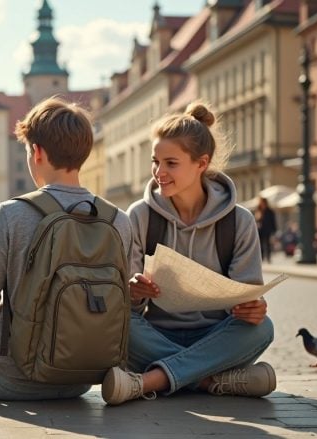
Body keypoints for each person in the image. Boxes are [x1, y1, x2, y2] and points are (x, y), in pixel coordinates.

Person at [0, 97, 133, 400]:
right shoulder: (118, 221)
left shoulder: (13, 213)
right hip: (82, 380)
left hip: (7, 379)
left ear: (37, 152)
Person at [106, 102, 275, 405]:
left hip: (216, 335)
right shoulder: (140, 215)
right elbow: (125, 305)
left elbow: (247, 296)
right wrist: (134, 291)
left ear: (201, 163)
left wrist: (254, 307)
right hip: (155, 335)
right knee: (116, 324)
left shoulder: (239, 221)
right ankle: (210, 380)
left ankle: (150, 380)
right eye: (155, 161)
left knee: (262, 328)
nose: (159, 172)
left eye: (171, 163)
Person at [255, 197, 277, 263]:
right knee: (260, 244)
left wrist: (274, 230)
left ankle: (268, 258)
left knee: (267, 244)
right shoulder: (258, 210)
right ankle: (261, 258)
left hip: (267, 230)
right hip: (260, 230)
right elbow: (256, 220)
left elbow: (273, 221)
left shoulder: (270, 211)